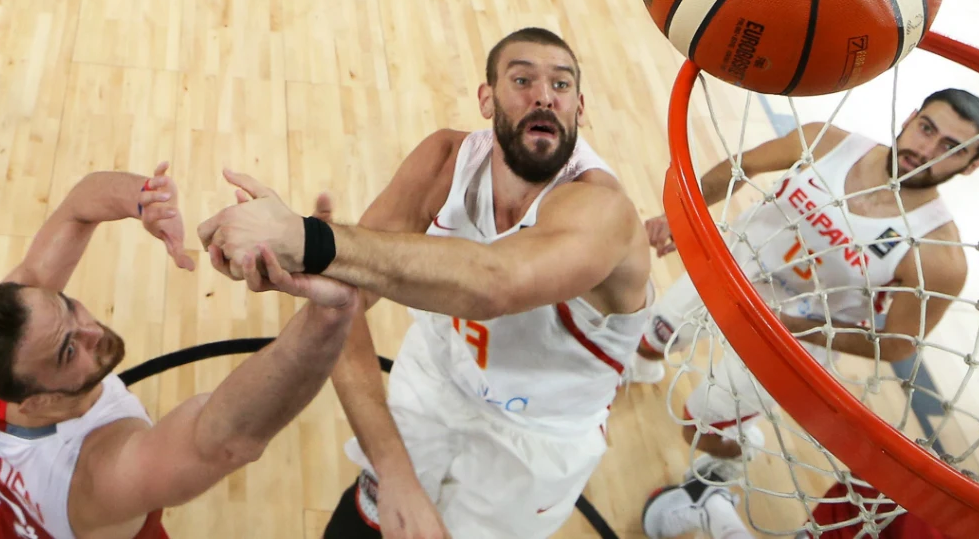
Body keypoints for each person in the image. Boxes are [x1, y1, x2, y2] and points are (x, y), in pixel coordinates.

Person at [196, 27, 658, 539]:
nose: (545, 95)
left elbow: (493, 286)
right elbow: (345, 302)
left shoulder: (602, 210)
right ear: (486, 100)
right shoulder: (444, 163)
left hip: (537, 438)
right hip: (436, 376)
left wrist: (311, 242)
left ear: (580, 107)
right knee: (363, 524)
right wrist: (394, 471)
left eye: (562, 85)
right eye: (522, 79)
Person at [629, 89, 979, 539]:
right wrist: (679, 214)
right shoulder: (827, 142)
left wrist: (797, 327)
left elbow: (899, 343)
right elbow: (741, 166)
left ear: (972, 165)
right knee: (649, 341)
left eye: (952, 148)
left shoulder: (939, 254)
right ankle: (636, 370)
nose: (924, 151)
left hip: (800, 333)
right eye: (927, 128)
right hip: (735, 269)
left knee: (697, 426)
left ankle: (738, 449)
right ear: (909, 118)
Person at [0, 162, 363, 539]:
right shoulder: (97, 477)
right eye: (68, 350)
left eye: (68, 305)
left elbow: (80, 205)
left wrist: (145, 199)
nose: (90, 329)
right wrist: (329, 314)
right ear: (38, 401)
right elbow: (227, 440)